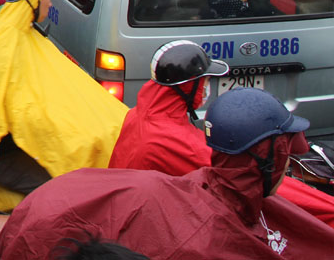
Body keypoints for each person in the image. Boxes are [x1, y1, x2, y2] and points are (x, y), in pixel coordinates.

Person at [0, 88, 334, 259]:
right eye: (285, 154)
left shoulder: (194, 185)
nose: (290, 165)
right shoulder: (203, 240)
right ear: (264, 156)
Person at [109, 40, 334, 228]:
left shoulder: (140, 115)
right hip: (146, 222)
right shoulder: (173, 141)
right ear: (189, 86)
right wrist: (328, 208)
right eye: (205, 80)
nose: (207, 87)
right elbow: (246, 180)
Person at [0, 0, 128, 215]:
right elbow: (23, 113)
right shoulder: (7, 46)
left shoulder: (23, 34)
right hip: (12, 156)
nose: (51, 4)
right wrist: (70, 137)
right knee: (77, 184)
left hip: (24, 147)